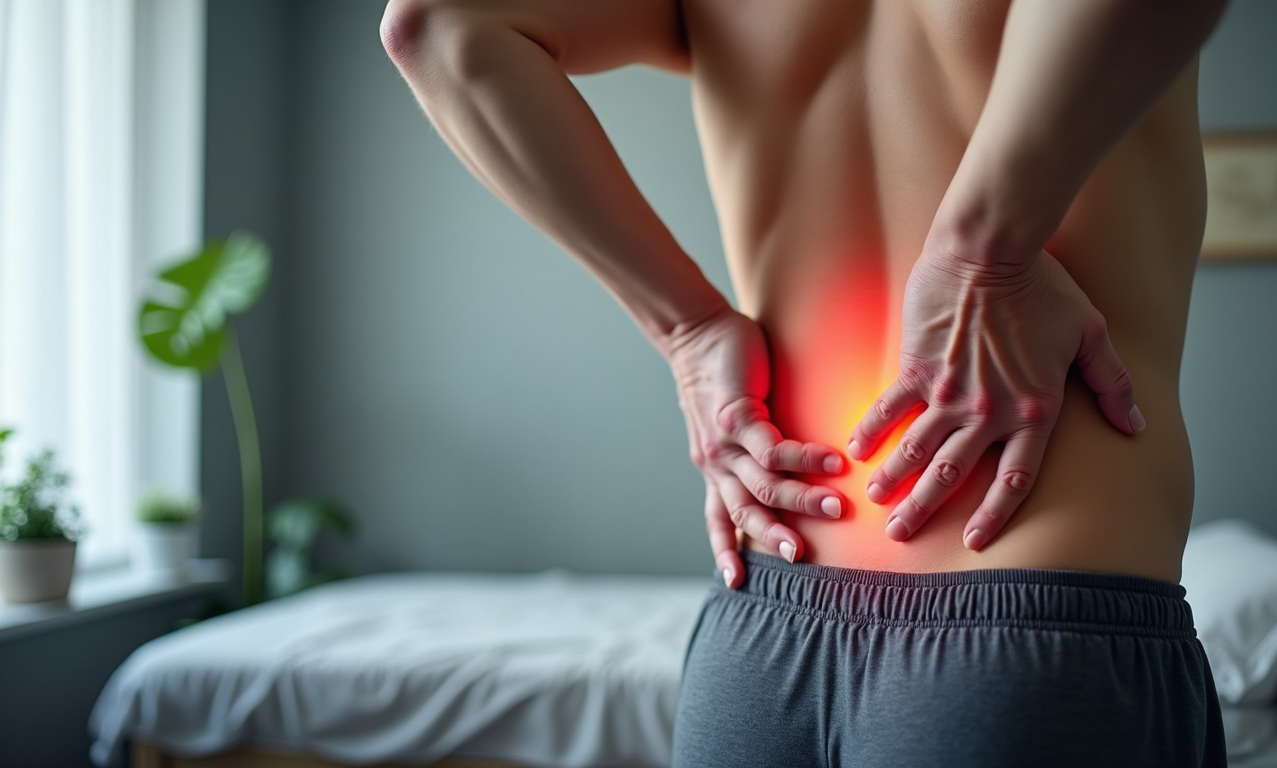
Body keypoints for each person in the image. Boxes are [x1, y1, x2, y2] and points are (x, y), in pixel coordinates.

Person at [380, 0, 1230, 765]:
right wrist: (982, 251)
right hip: (1030, 628)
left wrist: (686, 327)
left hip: (760, 628)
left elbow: (439, 26)